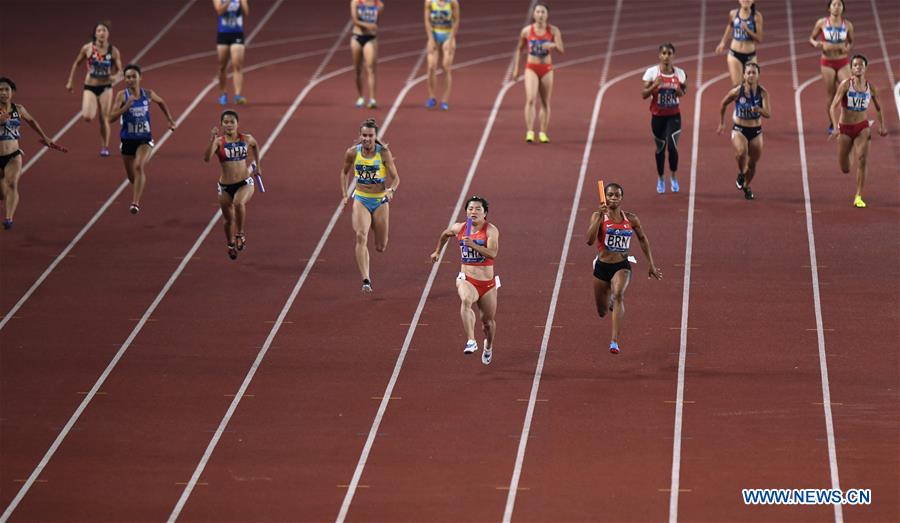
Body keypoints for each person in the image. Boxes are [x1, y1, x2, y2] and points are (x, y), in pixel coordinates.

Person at [585, 183, 661, 355]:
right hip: (602, 266)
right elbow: (589, 241)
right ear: (605, 197)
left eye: (616, 195)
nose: (613, 198)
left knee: (619, 294)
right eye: (610, 195)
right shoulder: (598, 216)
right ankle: (610, 302)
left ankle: (614, 341)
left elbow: (642, 239)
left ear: (621, 198)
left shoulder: (631, 219)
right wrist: (599, 218)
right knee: (602, 311)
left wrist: (651, 264)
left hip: (622, 265)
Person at [430, 196, 500, 364]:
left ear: (485, 214)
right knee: (466, 300)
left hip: (487, 284)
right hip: (467, 279)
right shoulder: (459, 227)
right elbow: (445, 234)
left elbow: (493, 253)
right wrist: (437, 251)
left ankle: (488, 346)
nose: (473, 212)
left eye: (477, 209)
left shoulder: (490, 230)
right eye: (470, 209)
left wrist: (473, 245)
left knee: (488, 323)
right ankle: (471, 340)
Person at [339, 118, 399, 292]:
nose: (366, 138)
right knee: (360, 236)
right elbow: (343, 173)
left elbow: (396, 178)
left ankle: (373, 223)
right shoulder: (352, 153)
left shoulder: (383, 153)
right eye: (364, 135)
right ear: (360, 135)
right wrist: (344, 194)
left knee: (380, 247)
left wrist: (391, 190)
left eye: (370, 135)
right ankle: (366, 279)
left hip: (380, 200)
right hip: (361, 199)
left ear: (375, 136)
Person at [108, 64, 177, 214]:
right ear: (125, 80)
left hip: (145, 140)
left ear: (140, 77)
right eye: (128, 77)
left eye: (134, 76)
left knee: (139, 166)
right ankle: (139, 188)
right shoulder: (122, 95)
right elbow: (110, 118)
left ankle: (135, 203)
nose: (131, 79)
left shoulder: (148, 93)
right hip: (127, 141)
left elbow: (161, 102)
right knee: (132, 178)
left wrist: (170, 119)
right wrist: (126, 106)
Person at [0, 77, 63, 230]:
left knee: (12, 184)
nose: (3, 93)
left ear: (12, 92)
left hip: (13, 155)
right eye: (0, 90)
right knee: (2, 194)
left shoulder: (19, 109)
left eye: (6, 90)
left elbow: (32, 121)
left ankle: (9, 218)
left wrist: (45, 137)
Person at [828, 54, 888, 208]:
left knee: (862, 160)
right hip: (845, 129)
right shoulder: (845, 85)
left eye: (861, 65)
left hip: (862, 127)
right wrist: (835, 127)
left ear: (865, 68)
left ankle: (858, 196)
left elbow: (879, 108)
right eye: (855, 65)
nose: (858, 67)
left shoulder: (871, 88)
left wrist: (882, 126)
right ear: (851, 68)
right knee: (845, 168)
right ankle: (851, 150)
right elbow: (833, 106)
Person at [203, 110, 260, 259]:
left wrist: (258, 166)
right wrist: (211, 139)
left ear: (237, 123)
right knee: (228, 220)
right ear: (222, 124)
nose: (228, 125)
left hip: (244, 183)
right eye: (225, 122)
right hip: (225, 187)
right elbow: (207, 158)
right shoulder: (218, 142)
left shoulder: (246, 138)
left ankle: (240, 234)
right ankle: (230, 244)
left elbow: (255, 145)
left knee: (238, 203)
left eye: (231, 122)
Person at [65, 21, 123, 157]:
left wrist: (116, 77)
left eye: (104, 31)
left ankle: (105, 147)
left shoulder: (113, 51)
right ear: (95, 34)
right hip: (90, 86)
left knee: (104, 119)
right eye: (99, 30)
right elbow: (76, 63)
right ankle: (93, 107)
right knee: (87, 116)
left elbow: (121, 71)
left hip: (106, 88)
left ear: (108, 34)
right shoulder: (87, 48)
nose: (102, 33)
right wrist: (70, 81)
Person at [717, 62, 770, 200]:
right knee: (741, 152)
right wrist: (722, 123)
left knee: (752, 163)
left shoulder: (762, 93)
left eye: (754, 72)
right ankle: (741, 173)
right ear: (744, 75)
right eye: (749, 72)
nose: (751, 75)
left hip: (756, 131)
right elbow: (723, 103)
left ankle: (746, 186)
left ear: (758, 75)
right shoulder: (737, 91)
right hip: (739, 128)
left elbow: (768, 113)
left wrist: (758, 109)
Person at [512, 3, 564, 143]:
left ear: (547, 15)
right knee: (530, 99)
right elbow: (519, 49)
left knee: (545, 102)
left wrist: (553, 45)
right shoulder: (527, 31)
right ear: (534, 14)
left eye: (543, 12)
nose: (540, 15)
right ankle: (529, 131)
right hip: (531, 67)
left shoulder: (553, 31)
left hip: (546, 68)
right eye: (538, 12)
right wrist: (516, 68)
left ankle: (543, 132)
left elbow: (561, 49)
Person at [641, 42, 687, 194]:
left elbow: (683, 93)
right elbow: (644, 95)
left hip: (674, 116)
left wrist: (676, 88)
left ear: (673, 56)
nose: (667, 56)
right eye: (664, 53)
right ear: (659, 55)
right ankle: (661, 178)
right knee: (660, 148)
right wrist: (655, 84)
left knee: (672, 147)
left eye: (669, 53)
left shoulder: (680, 73)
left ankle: (673, 176)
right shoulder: (651, 72)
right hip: (658, 116)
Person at [809, 0, 854, 135]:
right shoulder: (822, 23)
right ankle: (832, 124)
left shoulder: (848, 25)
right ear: (829, 8)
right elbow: (811, 38)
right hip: (827, 62)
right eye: (834, 4)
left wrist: (847, 49)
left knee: (850, 90)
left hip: (842, 62)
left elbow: (851, 42)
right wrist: (817, 44)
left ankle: (849, 121)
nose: (836, 7)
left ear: (842, 8)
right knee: (831, 94)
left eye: (839, 5)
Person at [714, 0, 763, 87]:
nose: (746, 1)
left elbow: (759, 39)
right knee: (737, 86)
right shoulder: (733, 13)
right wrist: (723, 42)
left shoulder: (756, 16)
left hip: (750, 56)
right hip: (734, 54)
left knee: (750, 86)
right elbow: (729, 26)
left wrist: (747, 29)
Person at [424, 0, 460, 111]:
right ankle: (431, 97)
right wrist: (430, 38)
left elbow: (456, 20)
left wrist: (450, 39)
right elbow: (427, 20)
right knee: (431, 66)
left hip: (447, 35)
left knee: (446, 66)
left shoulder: (453, 2)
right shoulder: (429, 2)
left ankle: (444, 100)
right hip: (435, 35)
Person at [214, 0, 250, 105]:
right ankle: (223, 93)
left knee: (237, 64)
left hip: (237, 33)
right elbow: (219, 11)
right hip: (223, 34)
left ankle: (237, 95)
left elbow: (246, 12)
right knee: (222, 66)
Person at [351, 0, 383, 109]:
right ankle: (360, 97)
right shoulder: (356, 2)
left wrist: (371, 27)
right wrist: (368, 25)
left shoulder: (378, 4)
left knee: (370, 68)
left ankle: (372, 99)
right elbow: (355, 20)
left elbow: (376, 23)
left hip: (370, 38)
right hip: (357, 37)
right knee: (358, 69)